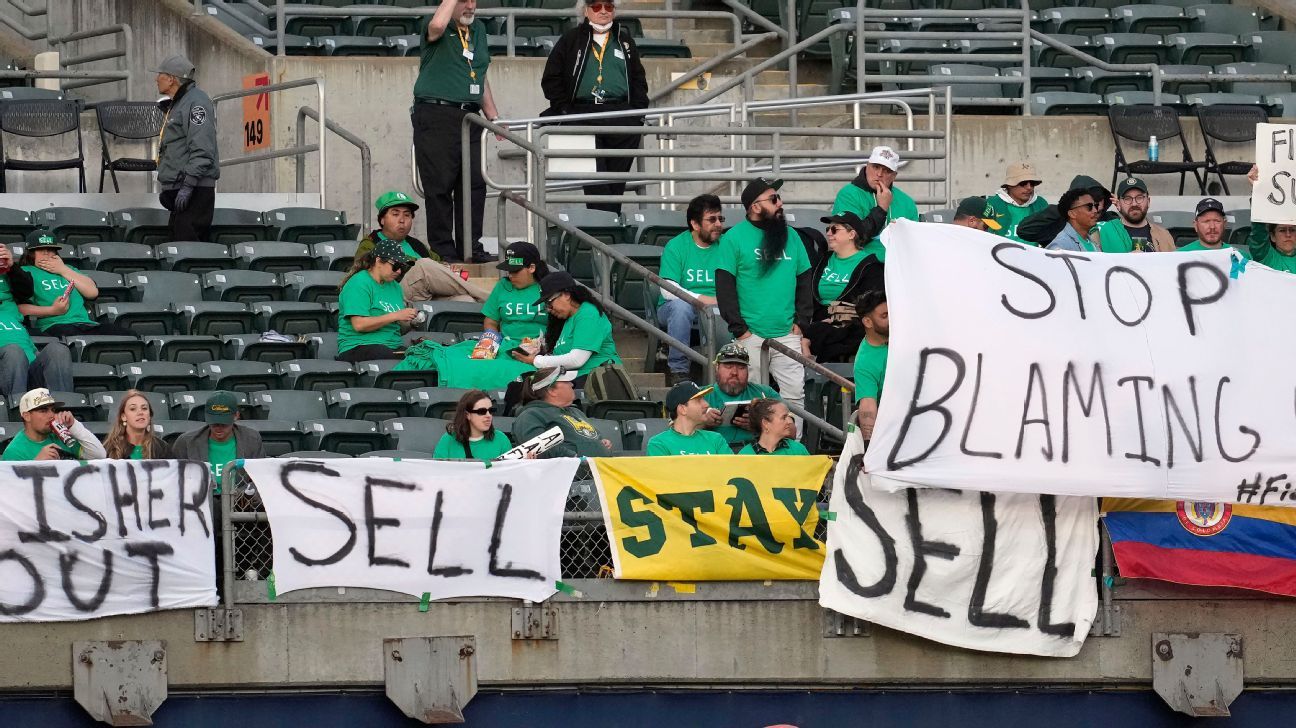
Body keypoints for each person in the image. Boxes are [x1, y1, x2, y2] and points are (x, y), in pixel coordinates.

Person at [540, 0, 649, 215]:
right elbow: (551, 78)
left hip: (620, 115)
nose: (603, 12)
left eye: (608, 7)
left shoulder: (625, 41)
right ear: (586, 10)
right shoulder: (571, 39)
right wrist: (564, 109)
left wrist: (637, 113)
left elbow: (638, 80)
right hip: (582, 115)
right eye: (597, 6)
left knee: (616, 184)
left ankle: (609, 228)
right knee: (594, 182)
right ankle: (603, 228)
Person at [715, 177, 812, 419]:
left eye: (778, 197)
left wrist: (801, 324)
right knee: (753, 399)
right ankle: (757, 449)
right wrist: (740, 329)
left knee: (794, 397)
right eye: (773, 199)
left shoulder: (793, 237)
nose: (780, 203)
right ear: (755, 206)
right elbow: (724, 287)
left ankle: (793, 451)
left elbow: (805, 281)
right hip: (750, 334)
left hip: (787, 333)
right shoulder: (733, 238)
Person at [412, 0, 498, 262]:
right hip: (437, 113)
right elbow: (437, 25)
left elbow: (478, 76)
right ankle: (443, 249)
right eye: (464, 1)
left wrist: (494, 116)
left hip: (470, 115)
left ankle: (470, 247)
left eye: (473, 0)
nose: (470, 6)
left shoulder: (479, 29)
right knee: (439, 185)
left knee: (474, 184)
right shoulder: (436, 22)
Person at [355, 191, 489, 303]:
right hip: (392, 296)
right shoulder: (371, 242)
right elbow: (363, 271)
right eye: (395, 214)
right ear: (382, 220)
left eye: (407, 215)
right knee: (423, 266)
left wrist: (446, 269)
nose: (402, 220)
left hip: (426, 296)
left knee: (465, 301)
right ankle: (491, 298)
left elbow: (436, 262)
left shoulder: (416, 244)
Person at [656, 194, 724, 384]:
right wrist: (702, 299)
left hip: (720, 305)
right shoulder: (676, 246)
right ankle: (679, 370)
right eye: (712, 219)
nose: (718, 224)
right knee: (681, 307)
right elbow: (667, 290)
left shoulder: (727, 245)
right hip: (677, 306)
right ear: (695, 224)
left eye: (720, 218)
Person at [801, 210, 884, 362]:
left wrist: (837, 318)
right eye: (827, 229)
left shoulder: (870, 266)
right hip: (819, 321)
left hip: (850, 323)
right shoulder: (822, 260)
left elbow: (870, 304)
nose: (829, 234)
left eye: (835, 229)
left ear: (852, 234)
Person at [510, 271, 621, 382]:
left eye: (549, 303)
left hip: (597, 379)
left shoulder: (588, 314)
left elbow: (577, 360)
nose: (549, 309)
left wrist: (536, 360)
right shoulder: (567, 319)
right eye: (546, 306)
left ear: (566, 295)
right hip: (572, 379)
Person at [153, 54, 218, 242]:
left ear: (172, 78)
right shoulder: (181, 102)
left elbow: (203, 148)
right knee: (177, 247)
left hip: (194, 189)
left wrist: (188, 185)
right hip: (183, 188)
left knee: (188, 250)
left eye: (160, 74)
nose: (156, 79)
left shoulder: (195, 102)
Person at [18, 235, 134, 337]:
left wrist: (62, 269)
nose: (46, 253)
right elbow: (18, 308)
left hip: (85, 324)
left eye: (50, 249)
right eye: (40, 249)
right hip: (55, 325)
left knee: (129, 335)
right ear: (31, 253)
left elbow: (92, 292)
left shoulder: (68, 269)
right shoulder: (25, 272)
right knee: (68, 333)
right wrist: (52, 310)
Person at [0, 244, 73, 399]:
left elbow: (26, 290)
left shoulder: (9, 305)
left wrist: (11, 266)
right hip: (5, 369)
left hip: (30, 367)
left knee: (57, 349)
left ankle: (63, 413)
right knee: (14, 352)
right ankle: (19, 413)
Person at [336, 238, 418, 363]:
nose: (399, 271)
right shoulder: (359, 283)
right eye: (395, 266)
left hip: (392, 346)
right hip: (358, 347)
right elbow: (359, 325)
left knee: (422, 356)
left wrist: (410, 321)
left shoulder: (395, 287)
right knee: (383, 353)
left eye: (402, 266)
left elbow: (395, 326)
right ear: (379, 261)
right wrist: (395, 315)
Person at [172, 391, 266, 492]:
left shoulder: (251, 439)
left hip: (240, 502)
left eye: (224, 423)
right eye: (214, 423)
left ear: (236, 416)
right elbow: (174, 479)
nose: (219, 428)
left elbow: (261, 478)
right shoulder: (187, 442)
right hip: (200, 501)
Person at [831, 145, 917, 253]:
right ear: (867, 167)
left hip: (896, 265)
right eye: (876, 167)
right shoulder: (848, 194)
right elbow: (849, 240)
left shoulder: (906, 202)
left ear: (894, 176)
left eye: (886, 170)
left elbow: (914, 243)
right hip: (859, 264)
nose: (879, 174)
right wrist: (881, 209)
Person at [512, 367, 614, 457]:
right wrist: (575, 458)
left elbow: (592, 437)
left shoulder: (576, 412)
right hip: (571, 474)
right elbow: (539, 449)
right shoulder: (530, 416)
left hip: (602, 469)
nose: (572, 384)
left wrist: (602, 443)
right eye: (566, 381)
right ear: (551, 390)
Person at [700, 341, 779, 450]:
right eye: (728, 366)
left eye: (741, 367)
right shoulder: (699, 395)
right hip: (713, 458)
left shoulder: (765, 393)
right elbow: (678, 433)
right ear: (717, 367)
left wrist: (759, 425)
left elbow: (791, 431)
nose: (734, 372)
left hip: (756, 457)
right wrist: (701, 421)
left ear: (747, 370)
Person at [2, 387, 105, 461]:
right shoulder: (14, 451)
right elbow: (14, 488)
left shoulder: (61, 435)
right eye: (43, 410)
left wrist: (74, 425)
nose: (51, 415)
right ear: (27, 416)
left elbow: (99, 455)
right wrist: (36, 464)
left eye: (53, 410)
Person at [1017, 175, 1114, 246]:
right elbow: (1024, 230)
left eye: (1100, 198)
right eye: (1089, 203)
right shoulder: (1058, 223)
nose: (1097, 207)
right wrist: (1063, 208)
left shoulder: (1110, 220)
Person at [484, 241, 549, 341]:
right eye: (509, 271)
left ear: (531, 268)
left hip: (541, 349)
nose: (510, 275)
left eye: (515, 271)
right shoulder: (502, 285)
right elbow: (491, 321)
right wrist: (492, 341)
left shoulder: (549, 286)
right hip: (505, 346)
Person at [1093, 177, 1176, 253]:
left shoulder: (1164, 235)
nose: (1134, 204)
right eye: (1127, 199)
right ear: (1118, 204)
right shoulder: (1103, 232)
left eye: (1139, 197)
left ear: (1148, 201)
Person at [646, 380, 729, 456]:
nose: (706, 404)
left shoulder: (716, 439)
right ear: (682, 409)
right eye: (699, 400)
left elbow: (734, 469)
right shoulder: (659, 444)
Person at [432, 389, 515, 460]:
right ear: (467, 415)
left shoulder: (501, 440)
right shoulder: (448, 440)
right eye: (481, 411)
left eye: (491, 410)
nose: (488, 415)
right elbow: (437, 472)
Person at [852, 290, 888, 441]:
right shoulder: (864, 362)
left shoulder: (907, 334)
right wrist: (868, 446)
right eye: (884, 316)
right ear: (867, 322)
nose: (893, 319)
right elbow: (868, 407)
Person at [1247, 164, 1296, 272]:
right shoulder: (1265, 256)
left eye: (1292, 230)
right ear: (1272, 236)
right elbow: (1258, 232)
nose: (1288, 234)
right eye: (1282, 230)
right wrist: (1257, 190)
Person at [984, 162, 1047, 243]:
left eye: (1032, 183)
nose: (1029, 187)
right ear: (1009, 185)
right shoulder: (992, 204)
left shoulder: (1041, 203)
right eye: (1023, 183)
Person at [103, 389, 172, 459]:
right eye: (133, 409)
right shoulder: (109, 448)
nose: (140, 412)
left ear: (150, 415)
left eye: (144, 408)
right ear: (123, 416)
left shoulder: (162, 448)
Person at [737, 398, 810, 456]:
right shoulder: (745, 455)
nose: (789, 422)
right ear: (765, 423)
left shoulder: (798, 450)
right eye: (784, 417)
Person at [1047, 187, 1102, 252]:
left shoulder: (1092, 242)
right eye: (1089, 207)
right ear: (1072, 214)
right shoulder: (1061, 246)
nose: (1095, 210)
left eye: (1095, 206)